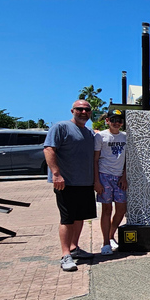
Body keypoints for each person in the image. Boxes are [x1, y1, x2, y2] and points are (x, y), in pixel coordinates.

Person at [44, 100, 97, 271]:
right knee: (67, 219)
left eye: (86, 109)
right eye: (79, 109)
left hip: (85, 183)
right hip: (66, 183)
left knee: (80, 217)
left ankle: (74, 248)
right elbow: (49, 149)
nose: (83, 112)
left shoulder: (89, 133)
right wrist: (56, 174)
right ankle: (65, 254)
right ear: (72, 110)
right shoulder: (61, 127)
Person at [94, 110, 128, 255]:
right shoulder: (100, 136)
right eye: (113, 119)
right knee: (107, 210)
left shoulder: (126, 137)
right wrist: (96, 181)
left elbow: (128, 158)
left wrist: (124, 176)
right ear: (107, 120)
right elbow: (95, 160)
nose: (116, 123)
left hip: (119, 177)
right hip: (104, 176)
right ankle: (105, 243)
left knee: (121, 209)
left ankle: (111, 234)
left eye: (119, 120)